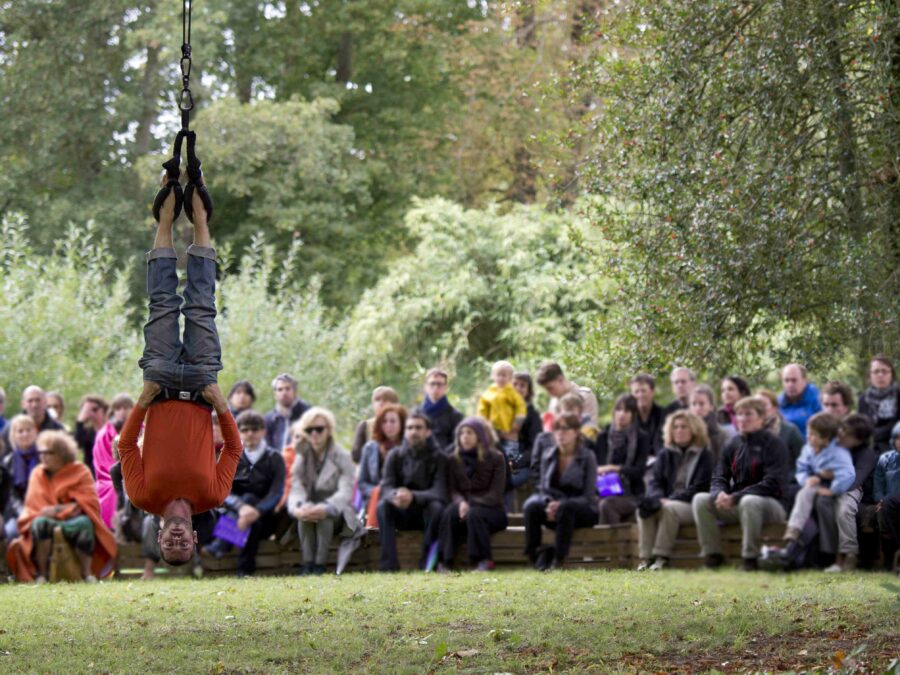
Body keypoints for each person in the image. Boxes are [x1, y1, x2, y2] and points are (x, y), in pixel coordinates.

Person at [119, 176, 243, 566]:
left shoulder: (141, 496)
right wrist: (221, 405)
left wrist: (142, 402)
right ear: (193, 537)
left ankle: (165, 218)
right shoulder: (213, 496)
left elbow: (125, 447)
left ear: (159, 536)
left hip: (159, 387)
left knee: (162, 302)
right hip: (203, 388)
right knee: (202, 304)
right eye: (183, 545)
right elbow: (234, 449)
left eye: (169, 545)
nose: (176, 540)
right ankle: (201, 219)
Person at [5, 430, 116, 582]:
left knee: (85, 523)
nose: (43, 456)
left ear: (61, 453)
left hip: (74, 520)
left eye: (48, 453)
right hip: (46, 519)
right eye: (41, 453)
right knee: (39, 524)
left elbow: (88, 503)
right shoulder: (37, 473)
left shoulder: (80, 471)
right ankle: (42, 575)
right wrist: (65, 509)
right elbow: (35, 506)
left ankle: (87, 574)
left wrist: (58, 510)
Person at [692, 396, 789, 570]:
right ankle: (713, 556)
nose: (743, 419)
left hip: (772, 505)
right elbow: (719, 476)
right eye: (740, 414)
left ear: (761, 418)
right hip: (738, 503)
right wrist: (719, 494)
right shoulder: (732, 443)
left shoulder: (774, 444)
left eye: (748, 414)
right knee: (700, 499)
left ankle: (750, 559)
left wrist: (736, 497)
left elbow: (773, 483)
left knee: (749, 501)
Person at [203, 410, 284, 576]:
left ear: (263, 431)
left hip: (266, 516)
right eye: (245, 430)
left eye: (255, 429)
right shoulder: (232, 457)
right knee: (251, 515)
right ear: (238, 432)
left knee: (251, 503)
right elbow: (224, 490)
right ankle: (244, 570)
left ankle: (220, 545)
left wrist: (257, 511)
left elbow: (276, 492)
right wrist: (242, 508)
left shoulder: (275, 458)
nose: (250, 434)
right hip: (236, 513)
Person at [637, 411, 713, 570]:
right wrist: (658, 498)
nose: (679, 430)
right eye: (675, 427)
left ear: (694, 430)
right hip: (667, 502)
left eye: (684, 427)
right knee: (644, 508)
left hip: (691, 504)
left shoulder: (705, 456)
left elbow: (701, 486)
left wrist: (671, 499)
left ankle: (661, 557)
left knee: (670, 509)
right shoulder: (665, 454)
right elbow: (655, 482)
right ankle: (646, 558)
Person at [288, 407, 359, 575]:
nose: (314, 433)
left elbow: (346, 490)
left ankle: (320, 565)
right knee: (304, 518)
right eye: (309, 430)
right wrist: (299, 507)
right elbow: (296, 487)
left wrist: (327, 507)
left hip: (339, 512)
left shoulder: (342, 456)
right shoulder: (301, 457)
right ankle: (308, 565)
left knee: (324, 518)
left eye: (319, 429)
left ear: (329, 430)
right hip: (310, 506)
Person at [523, 413, 598, 570]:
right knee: (531, 506)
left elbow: (589, 496)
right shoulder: (548, 454)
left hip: (581, 509)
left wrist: (561, 505)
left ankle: (558, 559)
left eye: (565, 429)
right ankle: (534, 555)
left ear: (576, 432)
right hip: (555, 507)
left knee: (565, 508)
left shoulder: (588, 456)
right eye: (556, 429)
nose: (560, 433)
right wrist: (548, 504)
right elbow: (544, 488)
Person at [376, 409, 448, 571]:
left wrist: (413, 496)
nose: (413, 432)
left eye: (418, 427)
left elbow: (440, 491)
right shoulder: (394, 455)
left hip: (425, 514)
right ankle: (388, 564)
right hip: (401, 511)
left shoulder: (440, 457)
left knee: (437, 507)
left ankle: (427, 562)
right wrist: (395, 495)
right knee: (383, 506)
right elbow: (386, 487)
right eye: (409, 428)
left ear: (428, 432)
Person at [436, 417, 507, 572]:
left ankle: (484, 561)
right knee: (449, 512)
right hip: (464, 508)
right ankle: (444, 561)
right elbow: (452, 490)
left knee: (474, 514)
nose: (465, 437)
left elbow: (495, 494)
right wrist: (461, 503)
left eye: (469, 433)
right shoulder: (453, 459)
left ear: (479, 436)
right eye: (462, 433)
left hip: (492, 510)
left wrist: (470, 504)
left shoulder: (496, 458)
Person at [781, 413, 855, 548]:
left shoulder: (839, 453)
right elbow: (801, 468)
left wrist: (833, 490)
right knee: (804, 493)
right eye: (808, 433)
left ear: (826, 438)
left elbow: (848, 475)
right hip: (818, 484)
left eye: (813, 434)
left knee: (837, 507)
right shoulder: (808, 449)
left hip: (838, 488)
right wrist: (807, 479)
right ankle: (794, 529)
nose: (808, 437)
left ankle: (840, 548)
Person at [819, 414, 877, 572]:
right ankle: (829, 555)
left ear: (859, 439)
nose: (841, 434)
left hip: (857, 493)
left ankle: (849, 555)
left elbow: (855, 481)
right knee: (821, 502)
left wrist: (832, 477)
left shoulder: (866, 454)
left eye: (847, 432)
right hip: (836, 488)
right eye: (842, 429)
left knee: (844, 509)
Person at [594, 394, 652, 524]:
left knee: (606, 505)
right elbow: (596, 467)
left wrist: (614, 468)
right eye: (619, 409)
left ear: (633, 415)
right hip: (604, 489)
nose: (622, 414)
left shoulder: (641, 437)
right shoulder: (602, 437)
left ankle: (609, 538)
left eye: (627, 411)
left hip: (631, 493)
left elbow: (638, 472)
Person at [357, 404, 407, 519]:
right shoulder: (370, 448)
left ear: (401, 423)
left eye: (393, 421)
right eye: (384, 421)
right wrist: (378, 492)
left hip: (402, 501)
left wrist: (394, 494)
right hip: (375, 501)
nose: (388, 425)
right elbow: (362, 483)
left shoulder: (409, 448)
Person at [93, 394, 135, 529]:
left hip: (137, 473)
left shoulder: (143, 429)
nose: (123, 412)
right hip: (109, 476)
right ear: (114, 411)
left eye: (126, 408)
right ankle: (111, 528)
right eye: (119, 408)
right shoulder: (103, 434)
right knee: (113, 489)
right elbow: (102, 462)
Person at [478, 360, 527, 470]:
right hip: (492, 431)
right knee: (491, 454)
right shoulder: (489, 392)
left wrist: (517, 423)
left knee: (509, 455)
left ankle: (510, 469)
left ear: (510, 378)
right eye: (498, 375)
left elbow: (520, 407)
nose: (501, 378)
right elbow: (482, 409)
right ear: (493, 376)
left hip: (509, 431)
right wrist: (483, 422)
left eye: (504, 375)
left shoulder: (512, 393)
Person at [1, 414, 40, 541]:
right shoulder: (8, 461)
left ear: (35, 432)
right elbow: (10, 495)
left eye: (28, 430)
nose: (25, 434)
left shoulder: (45, 457)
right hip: (16, 512)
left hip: (42, 508)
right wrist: (24, 513)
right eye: (20, 431)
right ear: (14, 435)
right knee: (11, 533)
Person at [858, 355, 900, 454]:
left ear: (891, 375)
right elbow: (861, 428)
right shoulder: (864, 399)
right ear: (870, 375)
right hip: (871, 448)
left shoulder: (898, 395)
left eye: (884, 371)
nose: (880, 375)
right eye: (876, 371)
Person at [536, 361, 599, 426]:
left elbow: (589, 428)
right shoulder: (554, 401)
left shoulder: (585, 396)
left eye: (550, 388)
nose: (549, 393)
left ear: (560, 379)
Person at [873, 422, 900, 572]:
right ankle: (888, 562)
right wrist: (879, 500)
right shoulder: (885, 459)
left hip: (894, 502)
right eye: (898, 438)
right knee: (883, 513)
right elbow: (878, 484)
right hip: (887, 504)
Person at [756, 390, 805, 471]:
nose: (759, 409)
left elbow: (801, 461)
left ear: (774, 408)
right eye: (756, 405)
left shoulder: (789, 430)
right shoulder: (748, 431)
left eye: (764, 405)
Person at [350, 386, 400, 463]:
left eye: (385, 399)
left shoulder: (404, 424)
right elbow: (356, 456)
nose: (381, 403)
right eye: (377, 400)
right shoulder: (365, 426)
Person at [264, 373, 311, 452]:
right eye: (280, 389)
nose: (284, 392)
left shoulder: (307, 414)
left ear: (295, 391)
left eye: (287, 389)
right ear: (275, 394)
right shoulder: (269, 419)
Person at [420, 368, 464, 450]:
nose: (435, 387)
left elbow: (458, 443)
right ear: (425, 386)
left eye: (439, 384)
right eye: (432, 384)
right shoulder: (417, 414)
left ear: (446, 387)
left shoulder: (455, 416)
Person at [778, 363, 822, 441]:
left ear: (804, 380)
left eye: (794, 380)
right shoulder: (778, 403)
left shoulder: (818, 400)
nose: (790, 385)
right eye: (786, 380)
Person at [689, 384, 731, 463]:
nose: (697, 408)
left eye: (701, 404)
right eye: (693, 404)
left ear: (711, 406)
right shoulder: (683, 431)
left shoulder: (722, 435)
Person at [73, 395, 109, 476]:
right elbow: (76, 445)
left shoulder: (111, 430)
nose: (92, 413)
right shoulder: (86, 432)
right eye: (87, 411)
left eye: (95, 409)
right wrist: (80, 421)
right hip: (91, 475)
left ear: (104, 410)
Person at [513, 372, 543, 466]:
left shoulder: (532, 414)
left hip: (522, 462)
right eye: (515, 384)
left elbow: (535, 446)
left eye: (522, 386)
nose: (517, 388)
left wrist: (516, 462)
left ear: (528, 391)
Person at [629, 374, 664, 452]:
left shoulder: (664, 415)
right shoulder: (627, 418)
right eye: (636, 392)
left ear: (652, 392)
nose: (640, 395)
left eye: (643, 391)